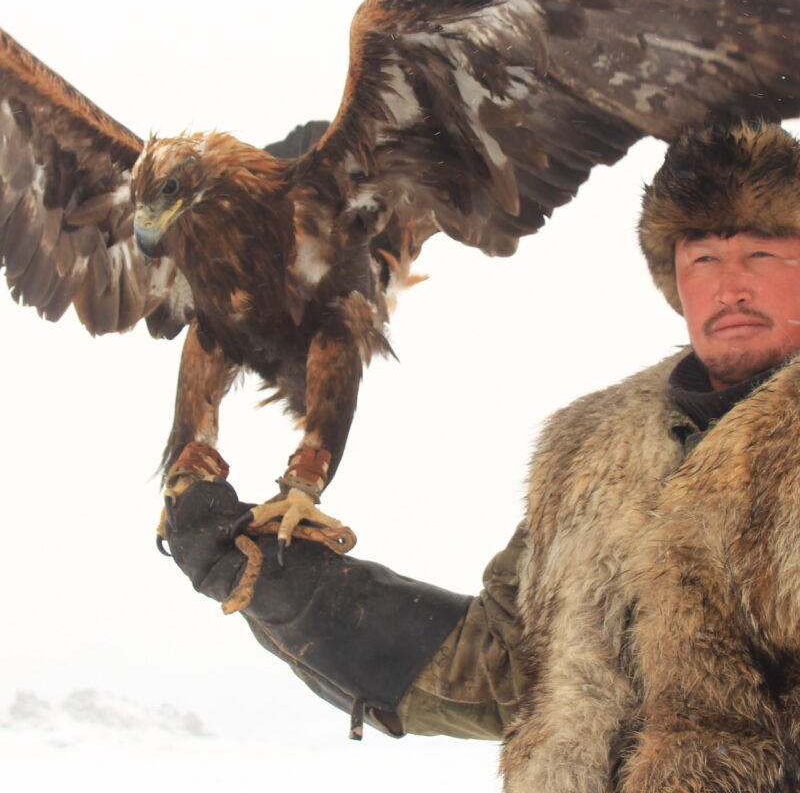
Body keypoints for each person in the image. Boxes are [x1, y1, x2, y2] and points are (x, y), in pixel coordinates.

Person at [164, 119, 800, 791]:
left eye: (762, 256)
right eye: (703, 258)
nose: (730, 287)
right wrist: (293, 591)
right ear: (674, 279)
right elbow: (503, 665)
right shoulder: (591, 454)